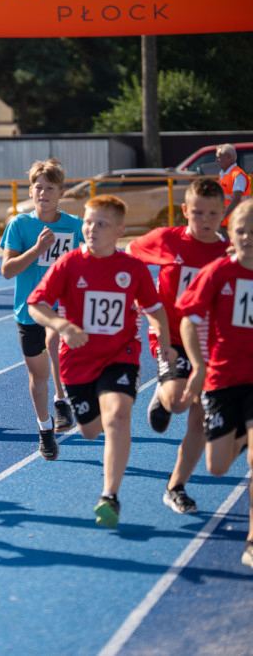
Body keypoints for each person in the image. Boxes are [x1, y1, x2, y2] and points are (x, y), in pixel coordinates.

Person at [28, 195, 172, 528]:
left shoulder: (132, 269)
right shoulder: (69, 264)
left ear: (120, 230)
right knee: (91, 432)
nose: (92, 229)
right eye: (89, 222)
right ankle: (88, 424)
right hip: (76, 362)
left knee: (118, 417)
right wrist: (62, 325)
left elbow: (155, 310)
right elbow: (38, 305)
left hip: (119, 355)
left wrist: (164, 345)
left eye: (101, 224)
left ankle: (109, 496)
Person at [126, 178, 229, 514]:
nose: (205, 219)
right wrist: (142, 298)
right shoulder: (166, 239)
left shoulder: (227, 253)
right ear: (185, 211)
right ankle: (164, 392)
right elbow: (129, 256)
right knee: (179, 403)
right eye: (198, 212)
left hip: (211, 344)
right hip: (170, 338)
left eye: (213, 213)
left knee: (200, 417)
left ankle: (176, 487)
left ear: (223, 213)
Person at [175, 199, 253, 568]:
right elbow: (188, 319)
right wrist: (198, 365)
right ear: (230, 234)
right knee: (218, 467)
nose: (248, 238)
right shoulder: (219, 272)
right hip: (223, 377)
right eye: (241, 231)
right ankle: (240, 435)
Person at [0, 159, 83, 459]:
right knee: (38, 377)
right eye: (38, 188)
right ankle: (45, 427)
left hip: (63, 307)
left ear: (61, 192)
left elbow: (87, 263)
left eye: (50, 188)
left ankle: (62, 399)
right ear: (31, 192)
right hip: (29, 310)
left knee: (56, 341)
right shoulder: (19, 224)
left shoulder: (74, 226)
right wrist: (36, 250)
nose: (44, 193)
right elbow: (7, 270)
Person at [216, 144, 250, 225]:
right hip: (226, 223)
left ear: (228, 157)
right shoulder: (223, 174)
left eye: (219, 157)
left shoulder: (238, 175)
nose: (217, 160)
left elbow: (236, 199)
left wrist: (222, 217)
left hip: (235, 223)